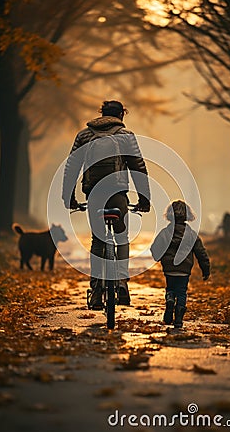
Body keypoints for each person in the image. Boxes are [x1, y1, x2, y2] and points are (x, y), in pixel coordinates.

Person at [62, 100, 150, 309]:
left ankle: (96, 291)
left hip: (94, 194)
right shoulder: (126, 136)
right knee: (121, 237)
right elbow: (138, 167)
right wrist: (144, 199)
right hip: (118, 193)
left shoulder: (84, 135)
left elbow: (71, 167)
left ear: (101, 114)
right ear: (121, 114)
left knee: (98, 240)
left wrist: (69, 198)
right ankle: (121, 285)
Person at [150, 200, 210, 328]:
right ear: (188, 215)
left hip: (169, 268)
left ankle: (170, 300)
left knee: (170, 288)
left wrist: (159, 258)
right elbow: (201, 253)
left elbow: (155, 248)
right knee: (182, 292)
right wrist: (206, 270)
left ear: (170, 215)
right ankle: (178, 319)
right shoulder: (191, 234)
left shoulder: (165, 233)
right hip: (184, 269)